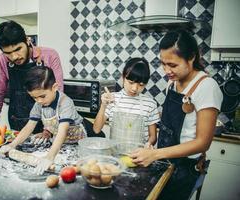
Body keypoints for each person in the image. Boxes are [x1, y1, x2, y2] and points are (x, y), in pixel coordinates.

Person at [129, 29, 223, 199]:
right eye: (163, 63)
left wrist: (155, 154)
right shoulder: (172, 85)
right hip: (165, 162)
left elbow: (203, 143)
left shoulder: (207, 87)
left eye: (172, 65)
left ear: (191, 57)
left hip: (186, 168)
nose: (166, 71)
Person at [0, 66, 96, 174]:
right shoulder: (39, 104)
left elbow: (62, 131)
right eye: (34, 97)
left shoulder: (65, 103)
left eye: (42, 96)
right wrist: (12, 145)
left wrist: (49, 157)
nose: (39, 101)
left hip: (78, 143)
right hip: (61, 145)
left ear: (54, 87)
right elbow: (29, 127)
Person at [0, 20, 64, 133]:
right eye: (8, 53)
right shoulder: (2, 60)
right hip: (17, 125)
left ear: (27, 40)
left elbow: (58, 95)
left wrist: (49, 129)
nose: (14, 57)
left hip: (47, 125)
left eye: (18, 49)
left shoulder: (49, 55)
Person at [93, 57, 160, 146]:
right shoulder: (112, 99)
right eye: (131, 82)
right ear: (123, 77)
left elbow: (153, 137)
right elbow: (96, 129)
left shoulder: (150, 104)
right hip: (115, 154)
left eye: (141, 85)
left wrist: (148, 145)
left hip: (138, 156)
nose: (134, 88)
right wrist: (103, 106)